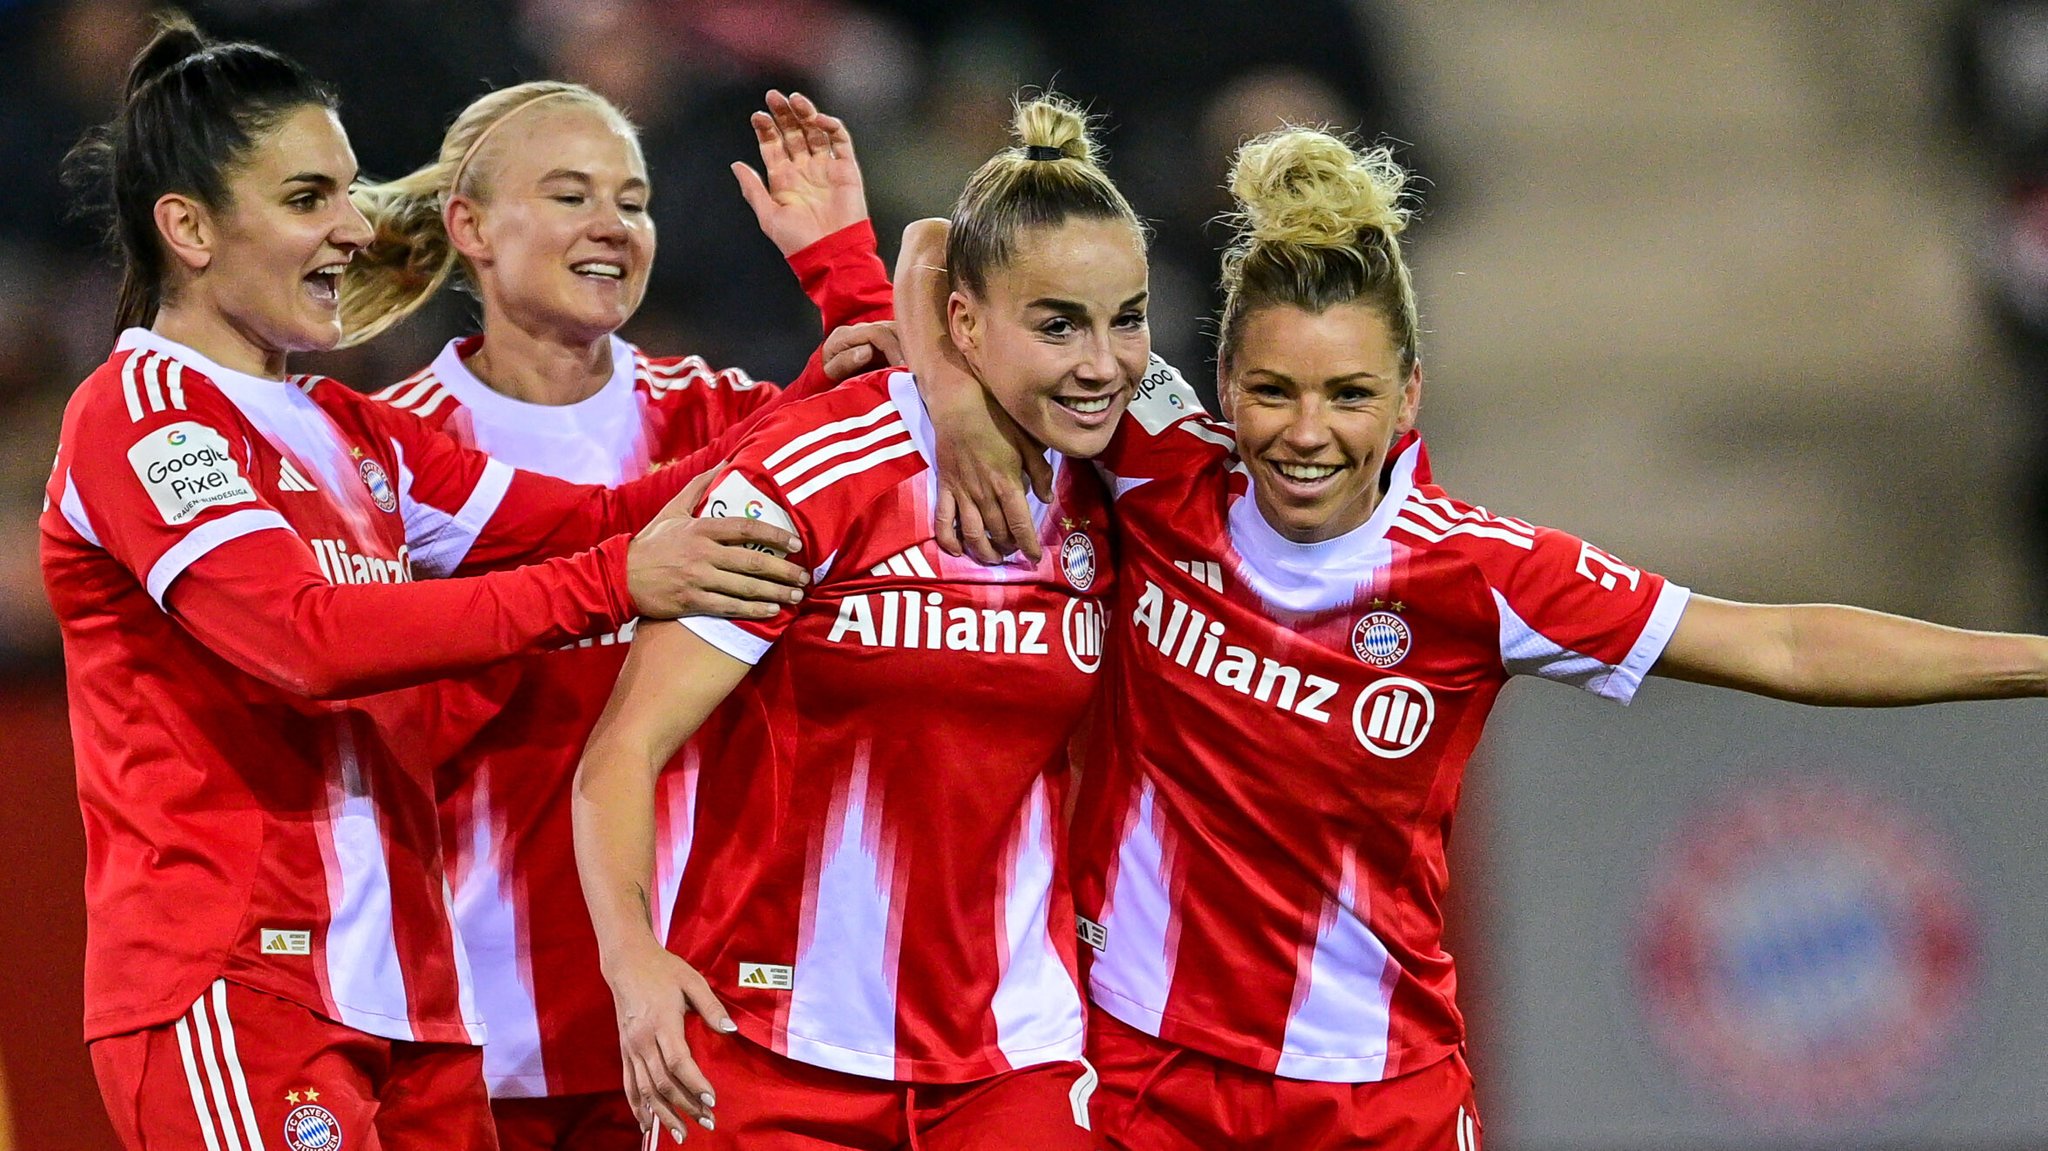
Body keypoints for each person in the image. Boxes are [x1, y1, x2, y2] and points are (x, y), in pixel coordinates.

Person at [905, 126, 2048, 1151]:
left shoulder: (1480, 572)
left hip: (1373, 1097)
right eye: (1273, 391)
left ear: (1407, 395)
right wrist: (959, 411)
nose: (1307, 433)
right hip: (1140, 1074)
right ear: (1219, 384)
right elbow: (939, 254)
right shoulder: (1153, 454)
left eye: (1347, 394)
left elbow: (1786, 646)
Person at [42, 19, 813, 1151]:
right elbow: (307, 637)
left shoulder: (355, 434)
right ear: (190, 228)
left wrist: (820, 403)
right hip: (239, 986)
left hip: (409, 1001)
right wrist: (615, 580)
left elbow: (599, 517)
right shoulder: (141, 414)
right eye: (311, 197)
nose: (355, 230)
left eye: (350, 193)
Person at [571, 93, 1151, 1149]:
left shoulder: (1126, 481)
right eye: (1059, 322)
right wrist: (632, 960)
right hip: (768, 1045)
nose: (1102, 362)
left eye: (1127, 318)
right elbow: (621, 750)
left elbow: (933, 244)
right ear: (963, 324)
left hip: (1010, 1052)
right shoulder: (808, 476)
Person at [341, 78, 894, 1150]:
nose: (612, 226)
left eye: (631, 201)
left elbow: (911, 436)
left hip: (692, 1013)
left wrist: (843, 266)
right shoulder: (379, 455)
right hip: (464, 1015)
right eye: (569, 194)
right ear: (470, 227)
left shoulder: (724, 413)